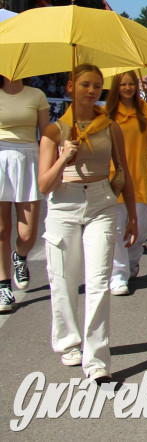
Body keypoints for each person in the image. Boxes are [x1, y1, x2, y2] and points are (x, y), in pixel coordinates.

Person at [38, 64, 138, 382]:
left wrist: (132, 216)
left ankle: (97, 360)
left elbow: (123, 171)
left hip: (101, 202)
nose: (92, 91)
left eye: (96, 86)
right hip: (63, 204)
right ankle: (69, 343)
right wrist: (63, 157)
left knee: (98, 282)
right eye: (85, 85)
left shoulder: (109, 126)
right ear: (70, 87)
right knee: (63, 280)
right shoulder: (54, 132)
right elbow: (43, 185)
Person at [106, 71, 147, 295]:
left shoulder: (146, 109)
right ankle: (118, 274)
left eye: (131, 84)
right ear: (116, 87)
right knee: (117, 228)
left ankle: (132, 259)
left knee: (142, 226)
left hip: (139, 174)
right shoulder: (106, 114)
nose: (127, 88)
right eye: (123, 84)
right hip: (114, 176)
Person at [0, 75, 50, 311]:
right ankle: (3, 285)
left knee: (28, 233)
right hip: (0, 158)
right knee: (1, 229)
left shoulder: (36, 95)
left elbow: (46, 135)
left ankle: (19, 256)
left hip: (29, 159)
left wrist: (51, 165)